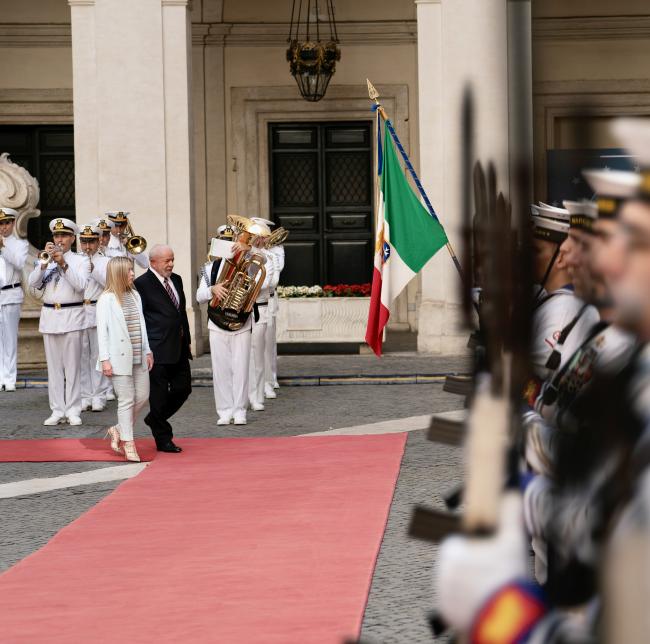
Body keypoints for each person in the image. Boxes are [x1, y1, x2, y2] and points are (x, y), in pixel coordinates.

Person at [196, 219, 270, 426]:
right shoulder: (209, 268)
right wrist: (212, 290)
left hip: (241, 322)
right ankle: (224, 411)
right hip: (217, 323)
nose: (230, 245)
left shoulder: (249, 263)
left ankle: (240, 411)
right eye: (225, 241)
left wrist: (250, 247)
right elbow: (199, 295)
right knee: (221, 370)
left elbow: (263, 260)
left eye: (233, 241)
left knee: (241, 367)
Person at [27, 218, 89, 426]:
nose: (59, 239)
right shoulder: (45, 260)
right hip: (50, 317)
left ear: (72, 238)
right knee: (53, 369)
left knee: (72, 368)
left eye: (64, 236)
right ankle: (56, 409)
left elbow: (80, 286)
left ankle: (73, 409)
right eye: (56, 236)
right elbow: (33, 285)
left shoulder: (80, 261)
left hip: (72, 316)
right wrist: (43, 264)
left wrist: (63, 263)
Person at [134, 244, 191, 452]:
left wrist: (188, 338)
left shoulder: (176, 279)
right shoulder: (141, 284)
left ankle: (154, 419)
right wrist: (144, 349)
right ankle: (163, 439)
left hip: (180, 346)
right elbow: (139, 319)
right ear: (153, 262)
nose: (171, 264)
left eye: (172, 259)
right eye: (167, 261)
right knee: (157, 397)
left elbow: (181, 312)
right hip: (156, 349)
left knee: (183, 389)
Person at [96, 257, 153, 462]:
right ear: (118, 273)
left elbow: (142, 326)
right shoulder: (106, 299)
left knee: (143, 396)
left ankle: (118, 429)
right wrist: (104, 359)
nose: (132, 274)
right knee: (126, 400)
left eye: (132, 270)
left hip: (138, 354)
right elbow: (102, 332)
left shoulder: (135, 295)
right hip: (118, 357)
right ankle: (129, 444)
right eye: (128, 271)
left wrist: (147, 350)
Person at [78, 225, 111, 412]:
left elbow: (110, 284)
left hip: (98, 307)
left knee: (98, 354)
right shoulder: (76, 260)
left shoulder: (105, 261)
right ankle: (85, 395)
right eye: (84, 241)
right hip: (80, 309)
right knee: (82, 355)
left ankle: (99, 394)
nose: (87, 246)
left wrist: (94, 271)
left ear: (99, 241)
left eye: (91, 241)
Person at [0, 207, 28, 392]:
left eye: (7, 223)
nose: (3, 227)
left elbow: (19, 263)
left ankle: (9, 377)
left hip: (11, 293)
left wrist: (3, 247)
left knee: (9, 338)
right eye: (1, 224)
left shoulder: (20, 244)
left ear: (13, 223)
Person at [248, 228, 276, 412]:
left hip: (259, 309)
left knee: (257, 355)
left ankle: (257, 395)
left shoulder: (269, 259)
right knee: (241, 356)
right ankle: (239, 397)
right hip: (240, 311)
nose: (254, 239)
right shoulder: (239, 257)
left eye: (256, 236)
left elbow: (266, 284)